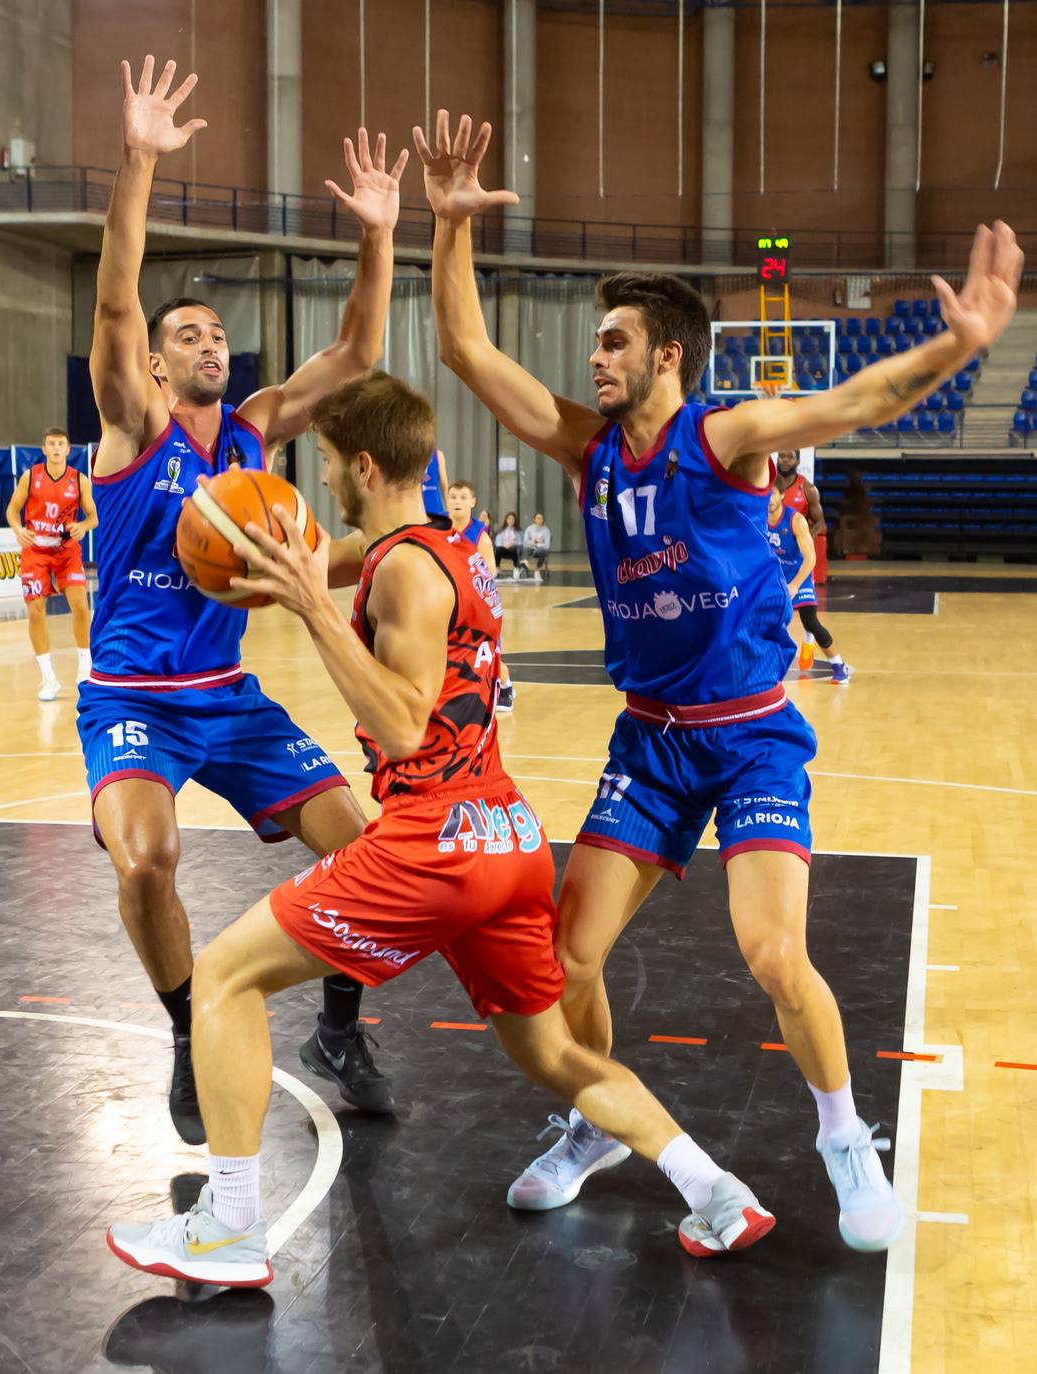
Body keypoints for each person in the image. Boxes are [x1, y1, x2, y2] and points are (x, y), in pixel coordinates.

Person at [418, 107, 1021, 1252]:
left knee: (772, 952)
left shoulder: (724, 435)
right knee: (565, 955)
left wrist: (956, 346)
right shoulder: (583, 447)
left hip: (748, 733)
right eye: (593, 342)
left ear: (666, 355)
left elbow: (850, 404)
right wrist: (448, 227)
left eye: (611, 342)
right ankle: (591, 1122)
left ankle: (842, 1137)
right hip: (647, 740)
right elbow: (463, 351)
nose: (592, 358)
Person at [104, 371, 776, 1288]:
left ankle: (227, 1223)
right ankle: (717, 1191)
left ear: (366, 465)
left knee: (222, 977)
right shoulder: (448, 543)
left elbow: (404, 725)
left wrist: (306, 608)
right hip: (505, 834)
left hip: (431, 844)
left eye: (332, 465)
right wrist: (271, 561)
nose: (325, 483)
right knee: (553, 1052)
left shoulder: (407, 572)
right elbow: (338, 556)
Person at [80, 55, 407, 1140]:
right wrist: (139, 160)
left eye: (217, 334)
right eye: (189, 337)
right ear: (157, 368)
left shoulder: (259, 432)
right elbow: (116, 296)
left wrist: (374, 230)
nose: (208, 343)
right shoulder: (134, 427)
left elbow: (357, 348)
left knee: (360, 848)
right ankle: (185, 1026)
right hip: (130, 693)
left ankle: (338, 1027)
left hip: (227, 694)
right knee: (145, 863)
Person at [5, 427, 98, 700]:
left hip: (67, 549)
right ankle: (48, 679)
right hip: (35, 550)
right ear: (44, 449)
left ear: (69, 449)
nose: (56, 448)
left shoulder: (79, 480)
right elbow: (12, 509)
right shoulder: (30, 476)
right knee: (35, 610)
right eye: (51, 444)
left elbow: (93, 517)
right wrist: (17, 528)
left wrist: (84, 525)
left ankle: (85, 667)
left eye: (61, 444)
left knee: (81, 605)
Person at [767, 486, 849, 684]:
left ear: (782, 495)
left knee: (810, 621)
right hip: (776, 575)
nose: (768, 498)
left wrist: (795, 584)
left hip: (800, 572)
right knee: (765, 621)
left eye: (773, 494)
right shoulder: (757, 517)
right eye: (765, 493)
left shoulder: (795, 520)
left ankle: (839, 665)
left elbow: (811, 557)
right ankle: (765, 668)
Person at [447, 478, 515, 712]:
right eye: (453, 497)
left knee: (489, 654)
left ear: (472, 502)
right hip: (451, 602)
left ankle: (506, 686)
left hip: (480, 603)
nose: (457, 502)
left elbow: (490, 574)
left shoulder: (480, 536)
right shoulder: (440, 531)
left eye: (463, 497)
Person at [775, 449, 827, 672]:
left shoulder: (808, 489)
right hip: (774, 552)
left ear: (798, 461)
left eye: (790, 457)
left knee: (807, 611)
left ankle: (808, 640)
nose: (785, 460)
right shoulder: (768, 485)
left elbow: (820, 522)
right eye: (781, 456)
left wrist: (803, 539)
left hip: (799, 557)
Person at [520, 511, 551, 582]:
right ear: (534, 519)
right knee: (525, 548)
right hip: (530, 549)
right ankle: (523, 566)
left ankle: (536, 570)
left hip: (540, 550)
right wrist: (535, 542)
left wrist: (536, 544)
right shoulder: (529, 529)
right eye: (537, 518)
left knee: (542, 551)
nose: (539, 520)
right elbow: (525, 542)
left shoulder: (546, 530)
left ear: (543, 519)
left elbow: (547, 545)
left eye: (541, 518)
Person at [421, 446, 449, 517]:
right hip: (415, 502)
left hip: (434, 502)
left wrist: (449, 508)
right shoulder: (409, 454)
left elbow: (444, 485)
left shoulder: (438, 454)